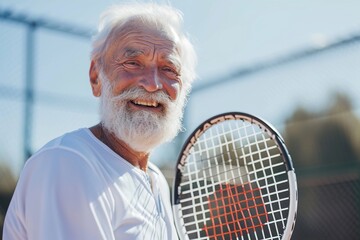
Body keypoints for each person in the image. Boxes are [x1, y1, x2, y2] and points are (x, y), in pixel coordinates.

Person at [3, 2, 196, 240]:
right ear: (96, 77)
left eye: (168, 69)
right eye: (133, 63)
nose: (152, 84)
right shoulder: (68, 162)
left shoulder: (155, 180)